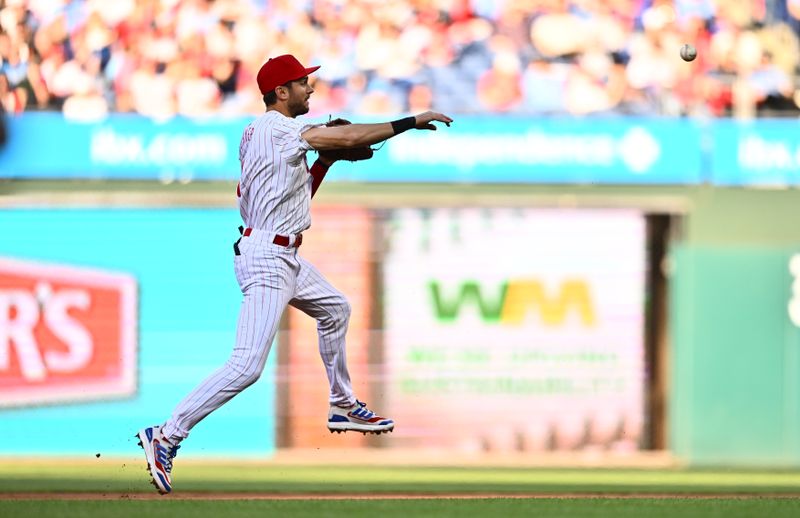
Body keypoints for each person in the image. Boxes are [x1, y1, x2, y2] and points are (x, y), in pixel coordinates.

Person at [135, 53, 453, 495]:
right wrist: (409, 121)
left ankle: (342, 404)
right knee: (246, 366)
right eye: (303, 82)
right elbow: (349, 137)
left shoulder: (266, 135)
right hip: (267, 255)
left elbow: (296, 200)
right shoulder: (274, 127)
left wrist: (323, 162)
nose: (311, 88)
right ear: (280, 92)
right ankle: (167, 434)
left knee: (336, 309)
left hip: (280, 251)